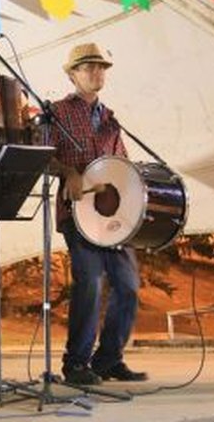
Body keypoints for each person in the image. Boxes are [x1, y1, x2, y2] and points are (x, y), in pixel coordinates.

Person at [47, 43, 148, 386]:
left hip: (111, 216)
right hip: (77, 215)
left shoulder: (110, 119)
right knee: (89, 282)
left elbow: (120, 166)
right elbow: (40, 156)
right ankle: (75, 364)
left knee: (128, 286)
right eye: (88, 67)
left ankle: (108, 359)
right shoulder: (56, 112)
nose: (96, 72)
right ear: (72, 74)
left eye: (101, 67)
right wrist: (67, 172)